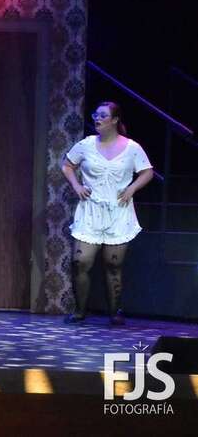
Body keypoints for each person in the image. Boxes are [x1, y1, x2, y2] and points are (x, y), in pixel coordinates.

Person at [62, 101, 153, 325]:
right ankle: (80, 311)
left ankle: (115, 312)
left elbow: (147, 172)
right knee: (80, 261)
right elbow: (67, 165)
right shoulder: (86, 144)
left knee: (113, 264)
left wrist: (132, 188)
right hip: (90, 210)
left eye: (103, 115)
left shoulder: (131, 148)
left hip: (118, 212)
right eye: (96, 115)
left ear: (115, 120)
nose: (97, 118)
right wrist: (76, 185)